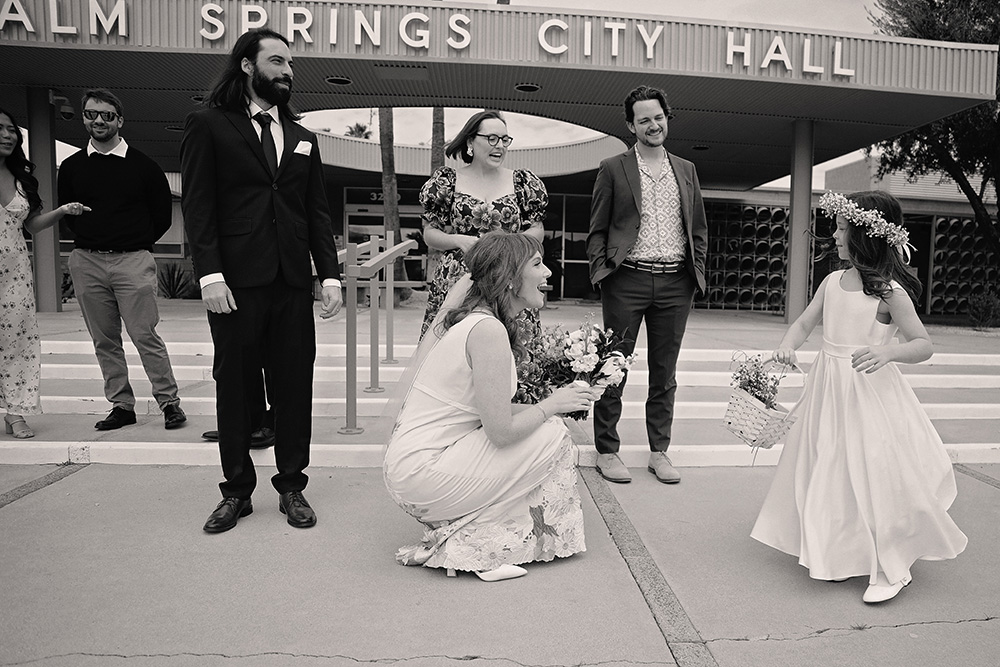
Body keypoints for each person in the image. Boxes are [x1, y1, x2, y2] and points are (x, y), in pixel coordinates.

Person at [751, 190, 967, 604]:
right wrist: (787, 344)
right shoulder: (833, 281)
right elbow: (803, 323)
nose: (833, 235)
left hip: (867, 391)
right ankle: (839, 552)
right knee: (830, 466)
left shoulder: (888, 292)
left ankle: (893, 563)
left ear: (865, 236)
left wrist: (888, 351)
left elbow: (923, 344)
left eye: (842, 228)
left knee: (874, 472)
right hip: (828, 388)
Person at [180, 28, 342, 534]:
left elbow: (316, 212)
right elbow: (198, 206)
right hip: (234, 285)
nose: (288, 71)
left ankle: (292, 486)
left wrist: (330, 276)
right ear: (247, 66)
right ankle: (236, 491)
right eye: (277, 61)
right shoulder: (209, 125)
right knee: (236, 389)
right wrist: (208, 274)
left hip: (292, 283)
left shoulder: (303, 138)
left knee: (294, 388)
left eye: (290, 64)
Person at [384, 232, 600, 581]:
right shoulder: (487, 330)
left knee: (548, 425)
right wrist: (552, 407)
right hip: (423, 471)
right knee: (554, 435)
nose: (548, 272)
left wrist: (556, 403)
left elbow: (491, 413)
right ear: (509, 277)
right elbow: (499, 432)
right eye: (536, 264)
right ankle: (482, 547)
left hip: (411, 469)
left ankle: (471, 538)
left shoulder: (481, 323)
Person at [586, 85, 708, 485]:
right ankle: (607, 451)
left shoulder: (686, 169)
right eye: (644, 120)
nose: (653, 125)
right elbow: (598, 229)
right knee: (612, 368)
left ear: (666, 117)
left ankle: (659, 452)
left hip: (675, 282)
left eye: (658, 117)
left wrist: (696, 273)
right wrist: (602, 274)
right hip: (627, 281)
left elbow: (699, 230)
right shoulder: (613, 167)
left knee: (664, 372)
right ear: (630, 126)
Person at [57, 89, 186, 432]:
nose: (98, 120)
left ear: (120, 120)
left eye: (106, 115)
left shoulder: (144, 166)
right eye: (91, 114)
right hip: (87, 261)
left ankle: (169, 402)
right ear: (84, 117)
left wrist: (133, 241)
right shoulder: (71, 167)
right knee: (104, 339)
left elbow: (162, 217)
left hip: (133, 260)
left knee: (144, 334)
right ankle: (121, 404)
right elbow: (69, 214)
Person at [418, 110, 547, 340]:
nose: (500, 146)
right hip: (460, 276)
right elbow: (430, 233)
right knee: (456, 346)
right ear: (470, 141)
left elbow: (537, 229)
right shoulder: (447, 181)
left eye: (505, 139)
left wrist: (510, 248)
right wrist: (459, 240)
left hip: (510, 277)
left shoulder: (523, 183)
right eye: (492, 138)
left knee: (514, 348)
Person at [0, 108, 90, 438]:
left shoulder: (21, 179)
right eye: (0, 128)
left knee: (17, 342)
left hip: (14, 274)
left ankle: (16, 413)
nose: (8, 135)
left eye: (11, 130)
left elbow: (32, 225)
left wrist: (63, 211)